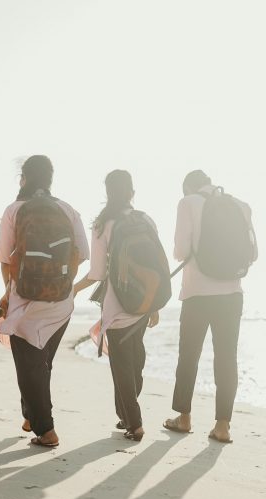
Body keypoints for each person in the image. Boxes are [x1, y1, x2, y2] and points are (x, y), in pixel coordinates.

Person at [0, 155, 90, 448]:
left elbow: (4, 260)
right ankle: (31, 417)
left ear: (23, 179)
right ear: (50, 180)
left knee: (28, 367)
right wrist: (62, 283)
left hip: (26, 300)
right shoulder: (67, 210)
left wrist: (9, 293)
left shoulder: (13, 211)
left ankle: (46, 430)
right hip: (61, 303)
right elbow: (82, 254)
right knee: (41, 364)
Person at [164, 170, 256, 443]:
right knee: (227, 358)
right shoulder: (241, 205)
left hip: (197, 294)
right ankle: (223, 426)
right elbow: (254, 253)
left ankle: (184, 418)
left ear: (188, 187)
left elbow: (181, 251)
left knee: (189, 356)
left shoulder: (188, 202)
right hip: (232, 294)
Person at [73, 170, 160, 442]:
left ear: (108, 192)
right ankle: (126, 415)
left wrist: (74, 288)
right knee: (135, 361)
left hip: (116, 303)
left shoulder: (103, 224)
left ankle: (134, 422)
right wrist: (154, 304)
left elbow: (97, 272)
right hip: (143, 302)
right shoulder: (145, 220)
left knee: (122, 364)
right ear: (132, 192)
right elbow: (156, 266)